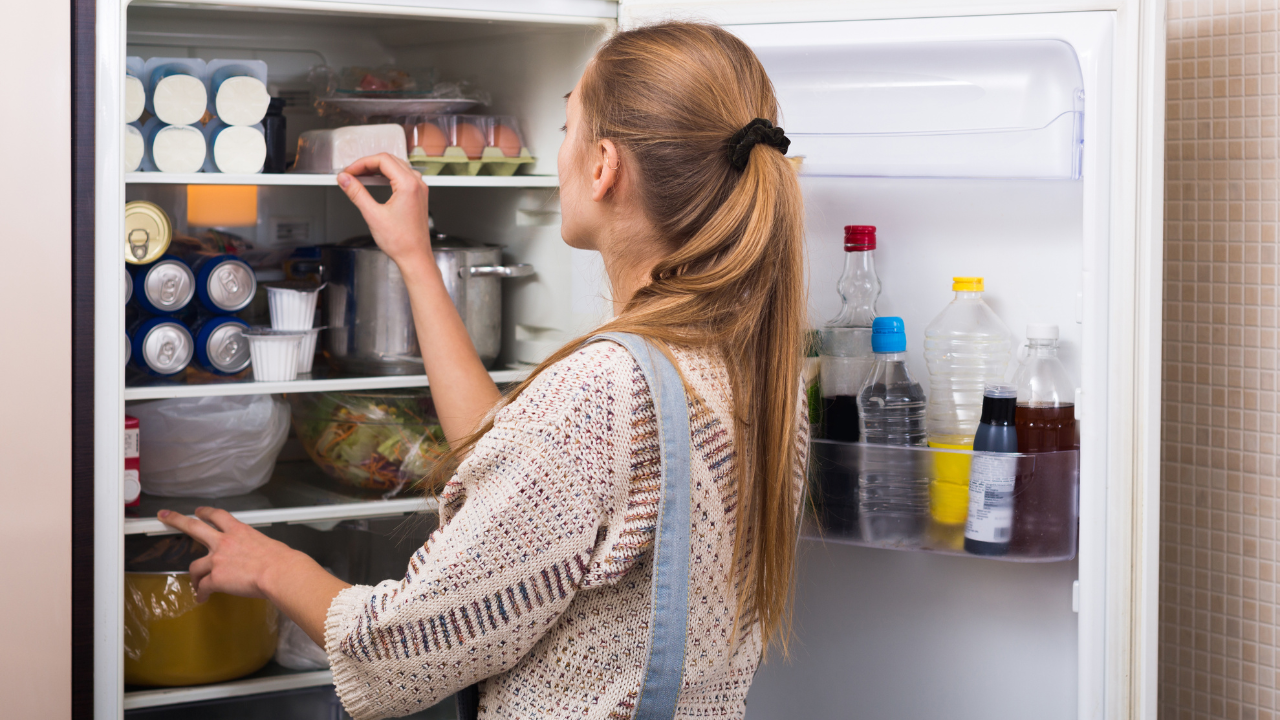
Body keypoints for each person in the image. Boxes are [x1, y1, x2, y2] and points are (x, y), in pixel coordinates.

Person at [158, 21, 808, 720]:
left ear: (603, 166)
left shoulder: (602, 390)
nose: (558, 153)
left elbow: (401, 652)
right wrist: (412, 254)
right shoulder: (755, 372)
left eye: (566, 128)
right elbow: (518, 465)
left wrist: (274, 567)